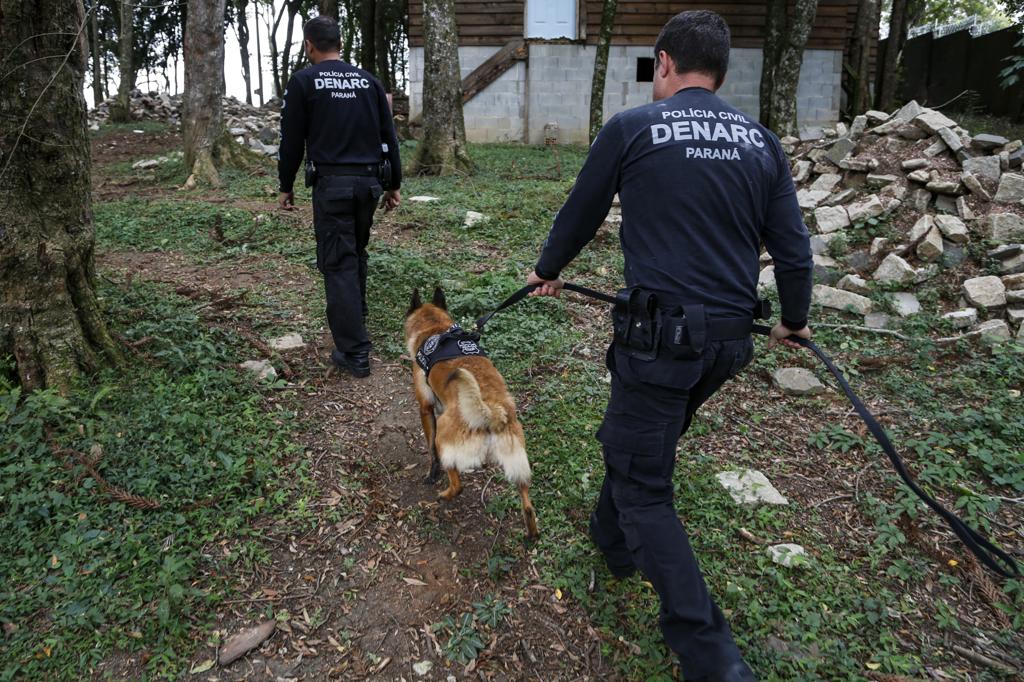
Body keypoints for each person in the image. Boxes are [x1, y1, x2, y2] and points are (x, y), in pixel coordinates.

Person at [526, 11, 813, 682]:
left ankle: (713, 660)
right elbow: (793, 249)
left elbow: (581, 211)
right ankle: (611, 542)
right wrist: (794, 319)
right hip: (727, 344)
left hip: (662, 344)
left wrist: (548, 269)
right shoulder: (761, 141)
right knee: (640, 444)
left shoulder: (632, 128)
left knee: (644, 485)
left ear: (663, 64)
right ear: (719, 72)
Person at [278, 15, 401, 378]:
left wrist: (285, 186)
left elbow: (291, 141)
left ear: (309, 45)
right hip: (368, 185)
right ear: (341, 44)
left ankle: (354, 352)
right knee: (355, 250)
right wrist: (395, 184)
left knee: (338, 262)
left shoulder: (303, 82)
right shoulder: (369, 82)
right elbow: (389, 136)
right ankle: (356, 315)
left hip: (333, 187)